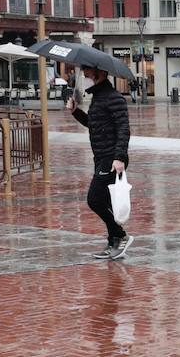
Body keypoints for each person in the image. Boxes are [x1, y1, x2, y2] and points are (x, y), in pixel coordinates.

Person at [68, 66, 132, 260]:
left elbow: (123, 129)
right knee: (103, 200)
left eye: (87, 72)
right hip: (101, 156)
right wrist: (75, 111)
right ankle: (114, 240)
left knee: (94, 199)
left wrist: (119, 157)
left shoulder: (114, 98)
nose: (85, 75)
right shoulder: (98, 97)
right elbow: (93, 123)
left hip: (111, 158)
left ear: (101, 73)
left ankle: (120, 236)